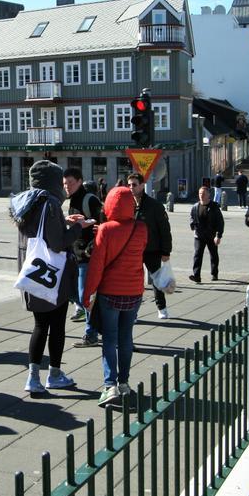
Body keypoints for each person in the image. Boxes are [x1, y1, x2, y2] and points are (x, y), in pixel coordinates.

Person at [11, 160, 92, 394]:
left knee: (39, 325)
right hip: (53, 277)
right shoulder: (51, 204)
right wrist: (79, 228)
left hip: (32, 274)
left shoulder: (25, 203)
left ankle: (33, 378)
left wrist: (63, 222)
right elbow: (58, 243)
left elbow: (40, 232)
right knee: (56, 326)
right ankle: (54, 374)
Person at [82, 186, 148, 409]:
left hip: (110, 293)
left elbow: (96, 265)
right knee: (126, 338)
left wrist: (87, 295)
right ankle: (124, 383)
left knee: (109, 339)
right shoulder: (141, 228)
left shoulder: (106, 230)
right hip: (133, 292)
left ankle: (110, 386)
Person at [63, 167, 104, 342]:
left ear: (80, 181)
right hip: (73, 254)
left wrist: (89, 224)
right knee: (69, 292)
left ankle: (91, 333)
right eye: (65, 183)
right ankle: (98, 320)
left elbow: (103, 223)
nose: (67, 186)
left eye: (70, 183)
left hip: (87, 256)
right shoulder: (72, 201)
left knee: (84, 296)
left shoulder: (90, 199)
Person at [127, 173, 173, 317]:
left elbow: (165, 230)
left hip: (152, 249)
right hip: (133, 251)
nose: (131, 188)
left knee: (156, 279)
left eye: (134, 184)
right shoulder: (127, 204)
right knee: (134, 282)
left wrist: (166, 251)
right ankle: (132, 312)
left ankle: (162, 308)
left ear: (142, 185)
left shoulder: (154, 206)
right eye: (129, 185)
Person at [188, 186, 224, 282]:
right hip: (199, 236)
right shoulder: (195, 206)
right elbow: (192, 217)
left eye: (204, 194)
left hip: (211, 236)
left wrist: (218, 236)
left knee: (213, 255)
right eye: (200, 193)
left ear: (209, 195)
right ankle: (196, 276)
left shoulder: (214, 207)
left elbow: (220, 222)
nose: (201, 196)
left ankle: (214, 274)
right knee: (197, 255)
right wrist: (192, 225)